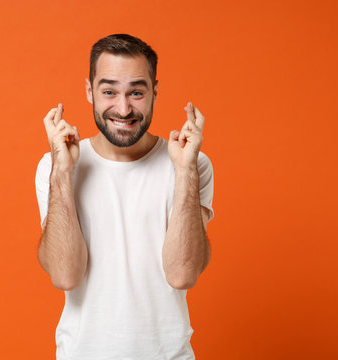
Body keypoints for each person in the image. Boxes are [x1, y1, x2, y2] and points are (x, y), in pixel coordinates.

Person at [35, 34, 214, 359]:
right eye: (108, 91)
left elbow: (182, 274)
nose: (123, 108)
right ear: (89, 91)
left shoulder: (192, 163)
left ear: (154, 92)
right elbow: (65, 275)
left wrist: (185, 172)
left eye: (136, 92)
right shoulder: (55, 166)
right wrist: (62, 171)